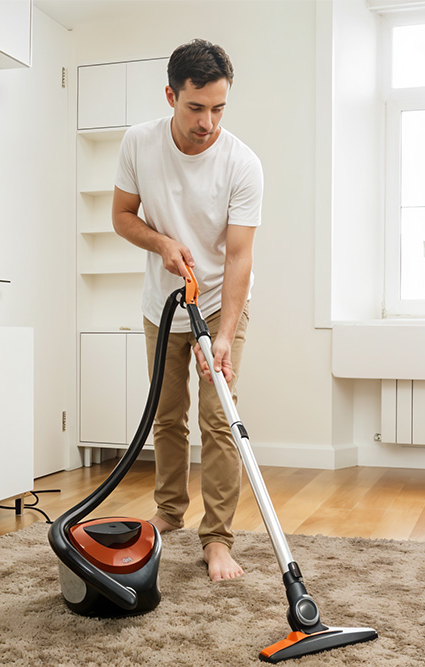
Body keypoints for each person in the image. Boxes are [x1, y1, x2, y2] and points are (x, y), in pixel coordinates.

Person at [111, 38, 263, 581]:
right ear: (171, 95)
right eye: (196, 108)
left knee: (220, 420)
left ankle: (217, 539)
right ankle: (169, 513)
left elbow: (241, 255)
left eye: (219, 108)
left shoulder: (242, 164)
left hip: (222, 303)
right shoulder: (138, 143)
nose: (208, 122)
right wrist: (161, 244)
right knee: (166, 416)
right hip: (163, 304)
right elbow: (123, 216)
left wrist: (222, 337)